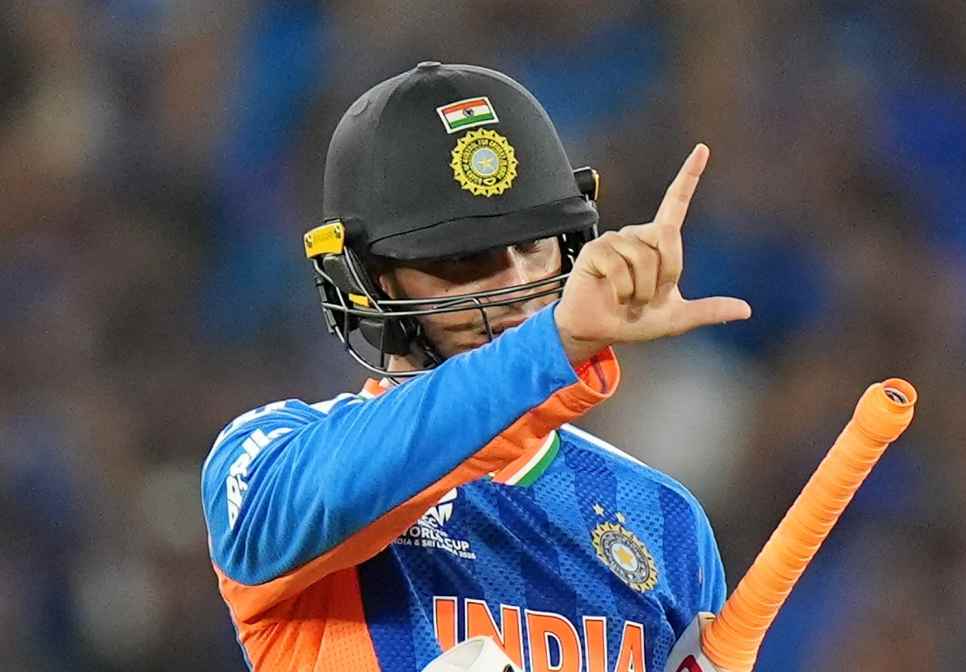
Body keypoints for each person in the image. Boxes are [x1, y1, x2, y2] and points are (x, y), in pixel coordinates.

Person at [201, 61, 751, 672]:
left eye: (534, 244)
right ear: (367, 281)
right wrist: (554, 344)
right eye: (465, 260)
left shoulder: (666, 520)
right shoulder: (263, 458)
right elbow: (326, 494)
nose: (516, 284)